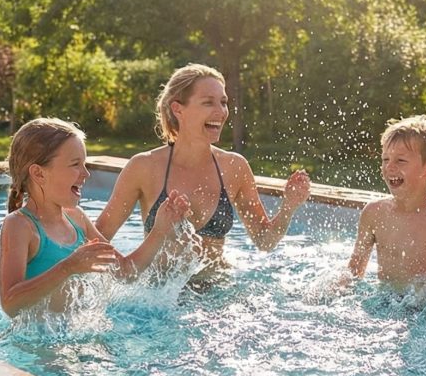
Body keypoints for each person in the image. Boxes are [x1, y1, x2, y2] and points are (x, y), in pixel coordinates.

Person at [95, 64, 311, 268]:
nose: (221, 111)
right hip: (159, 299)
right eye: (208, 102)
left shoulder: (235, 167)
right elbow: (97, 238)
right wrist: (122, 272)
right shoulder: (144, 167)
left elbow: (265, 241)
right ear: (178, 109)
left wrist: (287, 208)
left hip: (217, 294)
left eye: (223, 102)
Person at [0, 118, 190, 316]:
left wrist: (159, 231)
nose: (86, 173)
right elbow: (10, 304)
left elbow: (124, 272)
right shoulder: (20, 226)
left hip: (77, 335)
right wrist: (68, 267)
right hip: (36, 343)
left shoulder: (77, 219)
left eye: (85, 164)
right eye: (75, 164)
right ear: (39, 174)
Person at [347, 115, 426, 286]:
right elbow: (354, 272)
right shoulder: (374, 212)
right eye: (385, 159)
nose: (389, 167)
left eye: (401, 160)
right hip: (383, 303)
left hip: (424, 309)